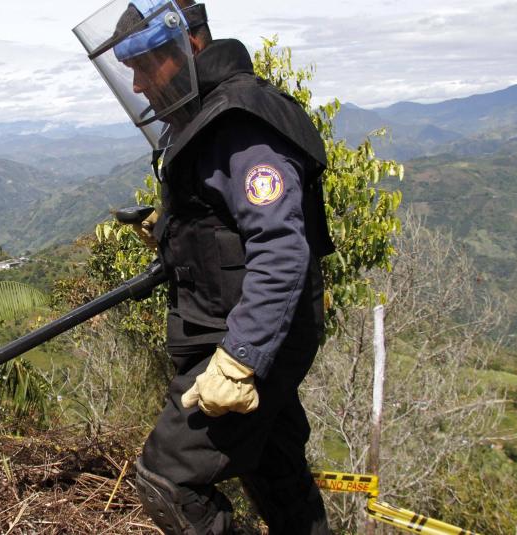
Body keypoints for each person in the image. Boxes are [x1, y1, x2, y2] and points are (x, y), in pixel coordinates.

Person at [75, 1, 334, 533]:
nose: (141, 84)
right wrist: (172, 234)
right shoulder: (208, 113)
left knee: (168, 478)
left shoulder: (239, 120)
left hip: (246, 339)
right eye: (131, 70)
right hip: (248, 331)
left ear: (189, 45)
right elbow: (227, 224)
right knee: (278, 476)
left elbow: (282, 249)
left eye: (147, 63)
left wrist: (239, 361)